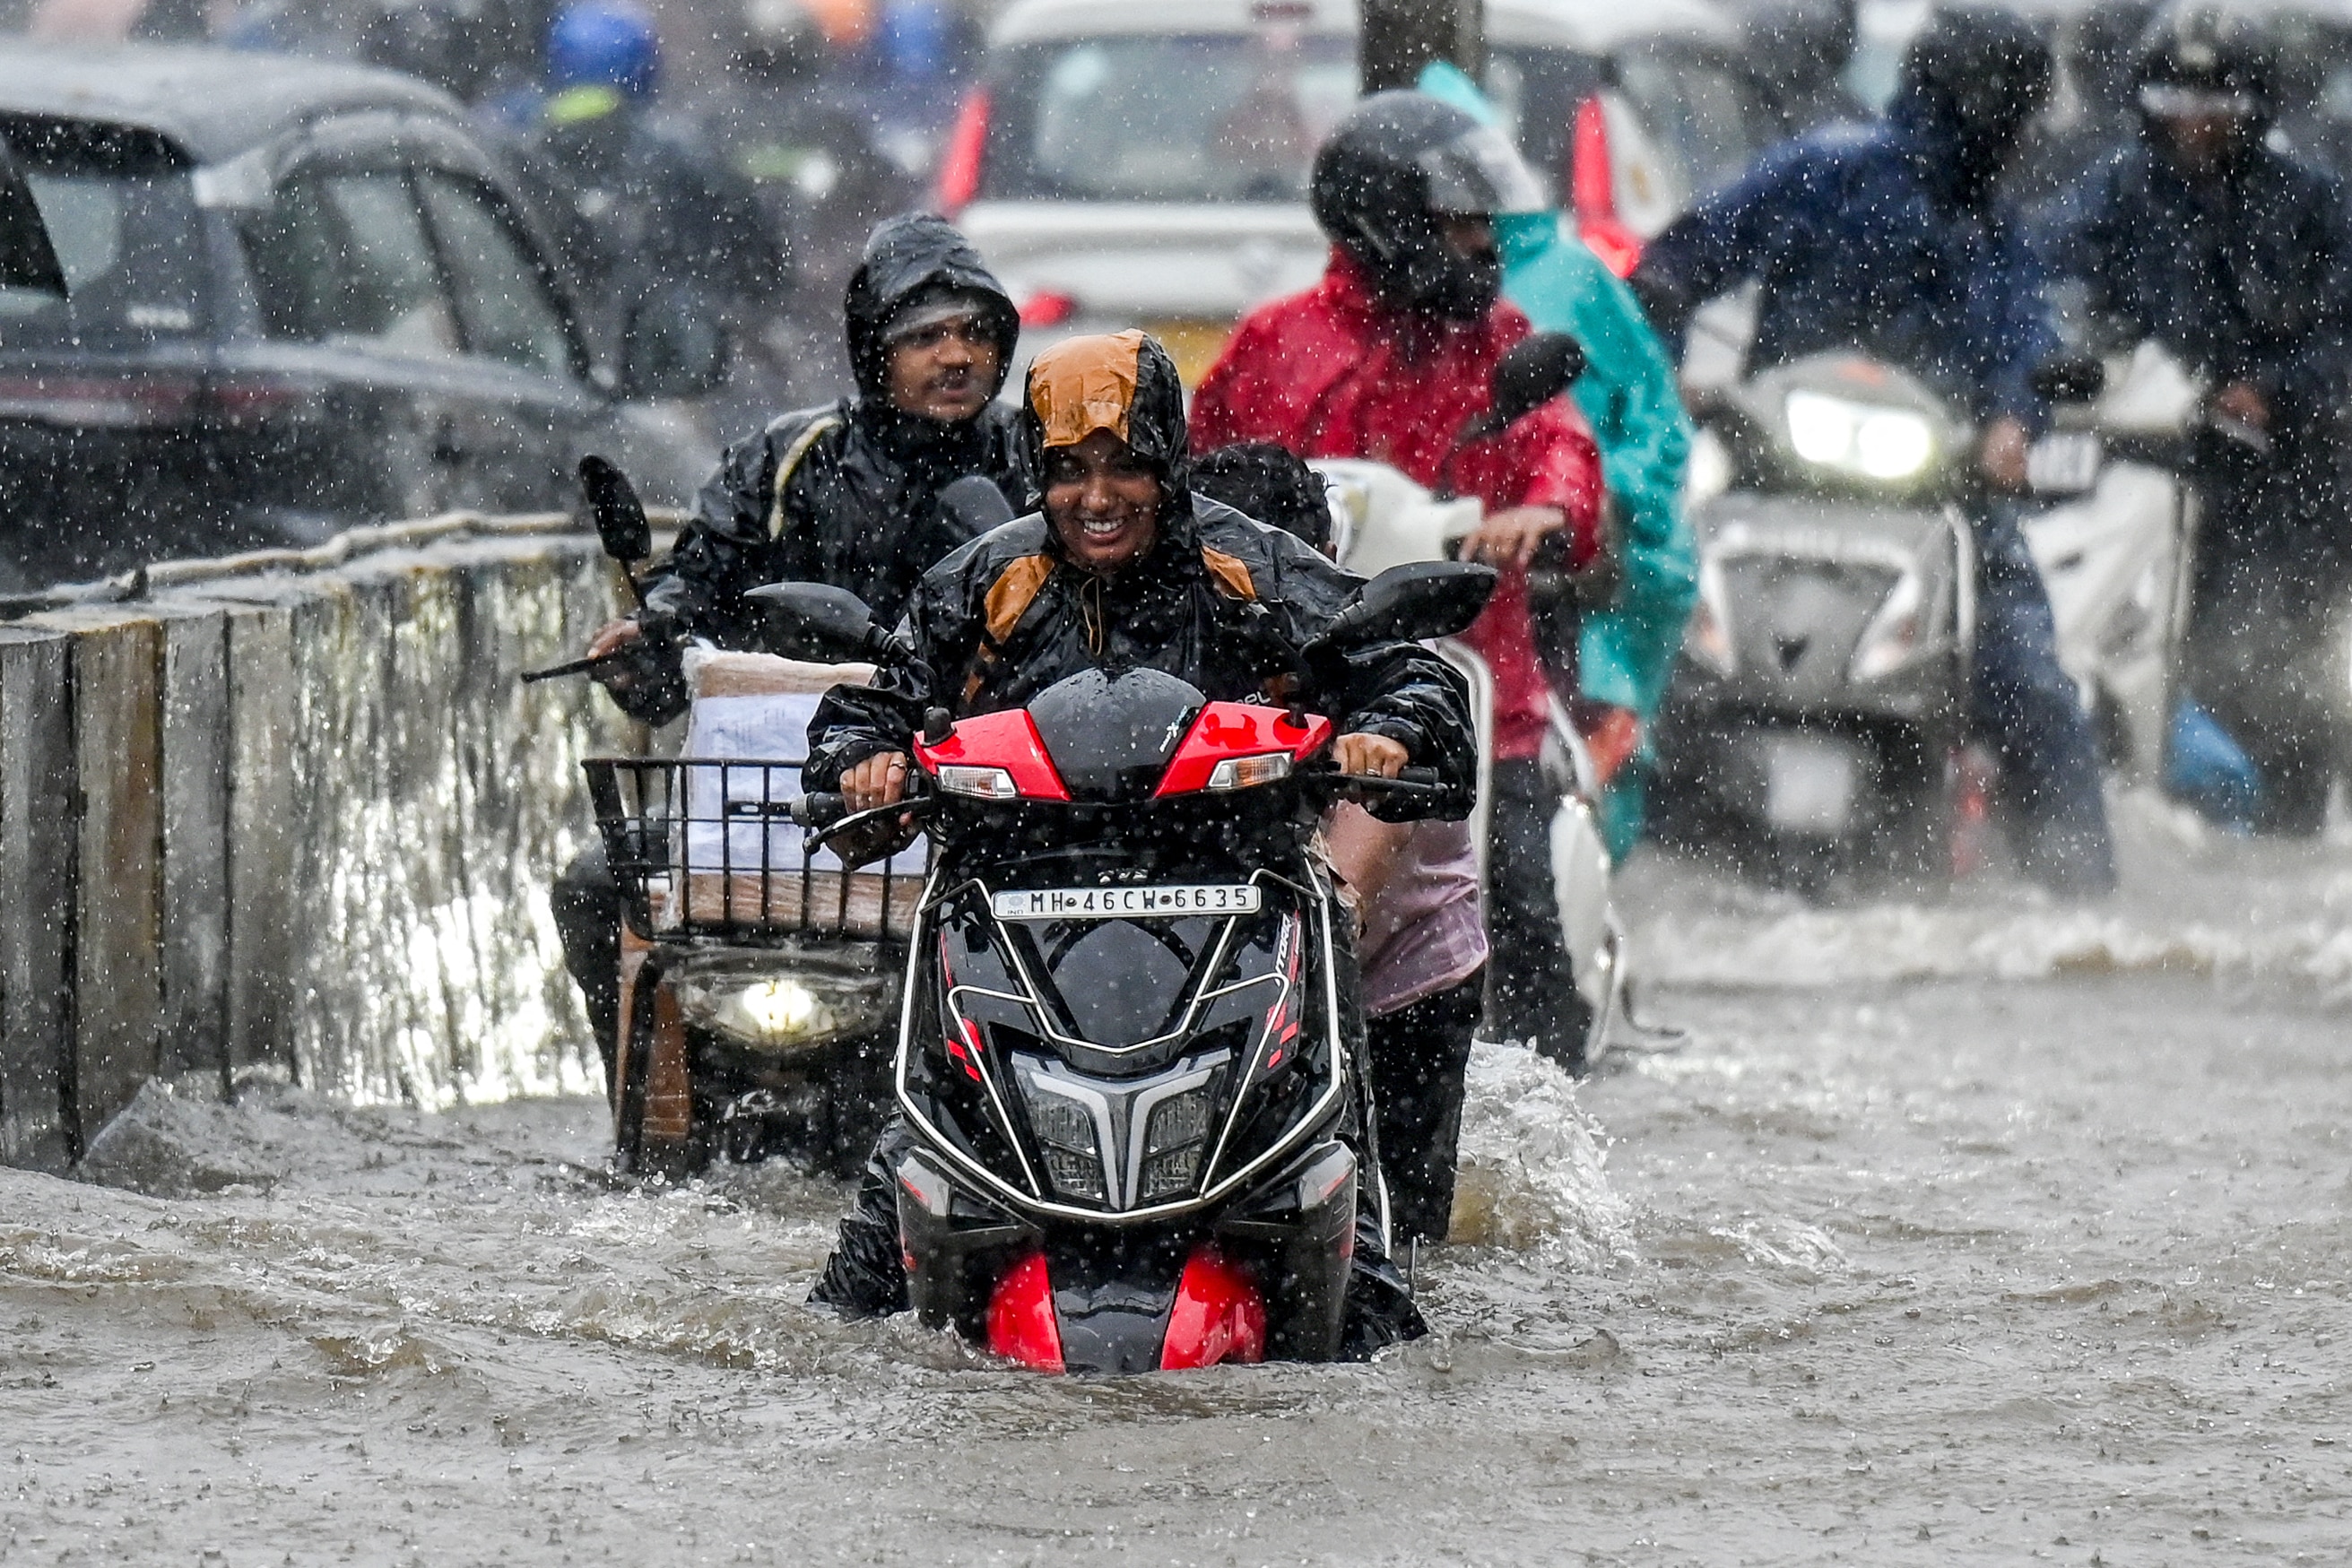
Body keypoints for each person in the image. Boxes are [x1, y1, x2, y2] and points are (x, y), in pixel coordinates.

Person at [804, 331, 1479, 1355]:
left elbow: (1401, 666)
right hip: (1011, 916)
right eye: (1069, 471)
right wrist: (868, 761)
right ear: (1037, 472)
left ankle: (1369, 1296)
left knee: (1345, 1203)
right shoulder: (980, 580)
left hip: (1233, 910)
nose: (1098, 495)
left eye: (1126, 464)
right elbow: (876, 706)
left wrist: (1385, 731)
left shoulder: (1251, 563)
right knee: (872, 1251)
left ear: (1169, 460)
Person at [1630, 6, 2118, 895]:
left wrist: (2016, 423)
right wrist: (1665, 383)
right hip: (1770, 472)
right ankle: (1608, 846)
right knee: (1646, 624)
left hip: (1940, 497)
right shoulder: (1818, 172)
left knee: (2030, 682)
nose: (2006, 130)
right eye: (1998, 105)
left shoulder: (2000, 234)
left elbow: (2028, 346)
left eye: (2018, 110)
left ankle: (2081, 903)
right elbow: (1676, 263)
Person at [551, 212, 1030, 1089]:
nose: (954, 356)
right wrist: (645, 645)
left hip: (978, 811)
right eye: (924, 337)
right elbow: (690, 599)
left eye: (975, 333)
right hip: (774, 812)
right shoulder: (786, 460)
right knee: (593, 887)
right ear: (873, 352)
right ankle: (650, 1113)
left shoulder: (1036, 461)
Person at [1191, 91, 1610, 1074]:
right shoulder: (1274, 346)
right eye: (1459, 223)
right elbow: (1203, 479)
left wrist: (1543, 515)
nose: (1481, 244)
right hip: (1301, 682)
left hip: (1479, 689)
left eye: (1482, 224)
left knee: (1517, 898)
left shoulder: (1504, 344)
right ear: (1388, 223)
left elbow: (1562, 450)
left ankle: (1554, 1100)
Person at [2038, 3, 2352, 834]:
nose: (2197, 126)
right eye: (2176, 105)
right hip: (2145, 474)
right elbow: (2049, 281)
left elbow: (2341, 329)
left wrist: (2276, 389)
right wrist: (2072, 355)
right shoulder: (2114, 189)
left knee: (2277, 675)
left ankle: (2280, 834)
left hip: (2283, 485)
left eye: (2217, 107)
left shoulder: (2313, 206)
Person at [1193, 441, 1488, 1246]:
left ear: (1321, 564)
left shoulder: (1383, 673)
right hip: (1226, 967)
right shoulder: (1167, 654)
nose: (1248, 615)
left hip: (1398, 981)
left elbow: (1341, 904)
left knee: (1390, 1237)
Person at [1419, 61, 1698, 859]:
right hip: (1458, 561)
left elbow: (1646, 420)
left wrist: (1611, 503)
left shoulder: (1568, 281)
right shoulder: (1380, 315)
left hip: (1584, 562)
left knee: (1590, 750)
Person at [528, 0, 792, 377]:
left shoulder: (516, 152)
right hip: (664, 366)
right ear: (644, 68)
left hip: (548, 364)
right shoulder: (680, 157)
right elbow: (761, 261)